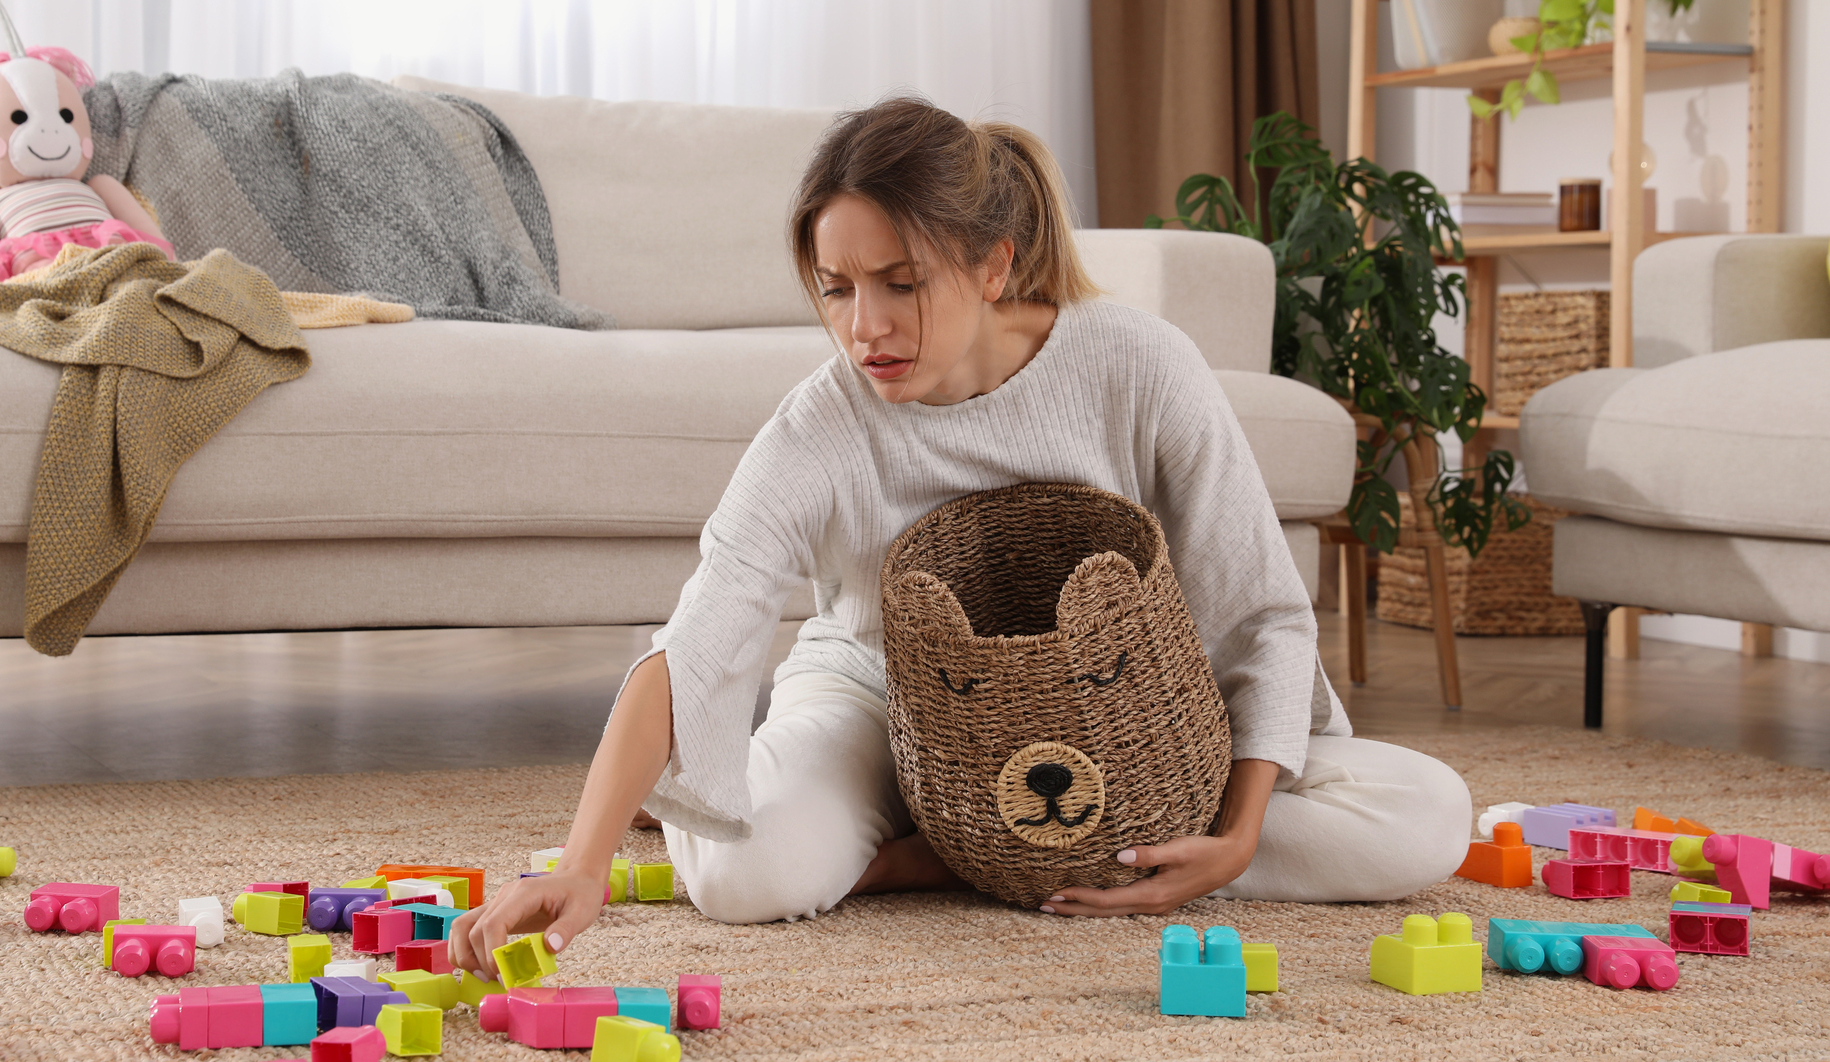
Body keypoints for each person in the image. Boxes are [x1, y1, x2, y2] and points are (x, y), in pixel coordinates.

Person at [450, 97, 1470, 977]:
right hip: (885, 703)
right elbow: (701, 629)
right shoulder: (821, 423)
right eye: (836, 287)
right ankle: (971, 834)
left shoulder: (1137, 364)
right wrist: (582, 863)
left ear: (992, 265)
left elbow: (1258, 613)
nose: (864, 328)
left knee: (1430, 815)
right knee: (742, 876)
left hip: (1116, 719)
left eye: (900, 282)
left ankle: (941, 855)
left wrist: (1238, 837)